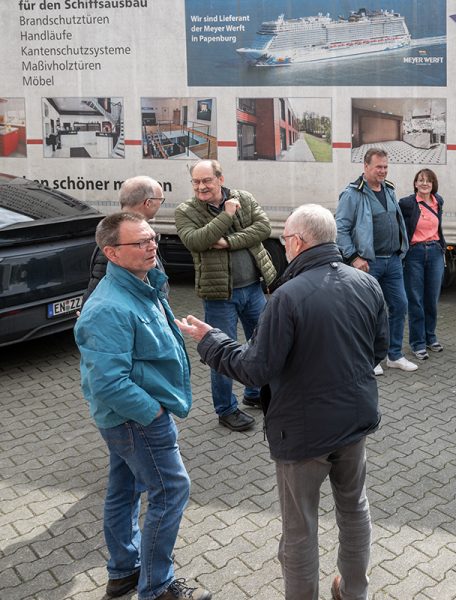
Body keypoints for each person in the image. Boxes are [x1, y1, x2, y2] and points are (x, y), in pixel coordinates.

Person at [176, 205, 387, 600]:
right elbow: (376, 350)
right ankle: (355, 591)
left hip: (304, 433)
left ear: (297, 242)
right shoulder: (366, 284)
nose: (282, 245)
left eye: (284, 238)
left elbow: (255, 369)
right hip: (355, 420)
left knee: (300, 528)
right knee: (355, 508)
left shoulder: (287, 297)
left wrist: (211, 340)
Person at [74, 212, 211, 600]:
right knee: (171, 491)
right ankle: (157, 587)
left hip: (134, 418)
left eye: (153, 239)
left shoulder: (142, 283)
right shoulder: (107, 308)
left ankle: (123, 572)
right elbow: (108, 382)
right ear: (111, 253)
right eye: (140, 242)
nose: (151, 246)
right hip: (136, 420)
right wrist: (153, 413)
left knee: (124, 490)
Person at [174, 159, 277, 432]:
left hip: (253, 288)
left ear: (220, 178)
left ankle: (254, 393)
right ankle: (226, 409)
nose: (201, 187)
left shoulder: (244, 197)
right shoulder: (186, 211)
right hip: (219, 294)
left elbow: (263, 228)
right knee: (219, 350)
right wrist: (226, 216)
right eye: (196, 182)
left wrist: (228, 241)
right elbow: (196, 241)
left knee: (261, 344)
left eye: (206, 180)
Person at [336, 148, 417, 374]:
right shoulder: (352, 194)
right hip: (368, 264)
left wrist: (402, 250)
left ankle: (394, 355)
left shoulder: (389, 189)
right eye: (378, 167)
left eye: (385, 167)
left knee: (400, 305)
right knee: (368, 311)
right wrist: (353, 257)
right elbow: (340, 229)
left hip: (392, 261)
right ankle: (369, 359)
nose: (382, 171)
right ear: (366, 167)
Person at [84, 175, 168, 304]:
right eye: (160, 200)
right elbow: (98, 287)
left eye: (153, 239)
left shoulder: (130, 235)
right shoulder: (116, 239)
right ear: (148, 202)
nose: (153, 246)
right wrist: (89, 311)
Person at [399, 168, 446, 360]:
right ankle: (417, 343)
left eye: (428, 181)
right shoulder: (407, 204)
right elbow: (399, 226)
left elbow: (439, 225)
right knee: (416, 300)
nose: (424, 183)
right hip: (414, 254)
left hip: (434, 252)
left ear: (433, 184)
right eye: (421, 180)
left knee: (431, 299)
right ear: (415, 184)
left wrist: (442, 247)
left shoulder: (438, 202)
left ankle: (430, 337)